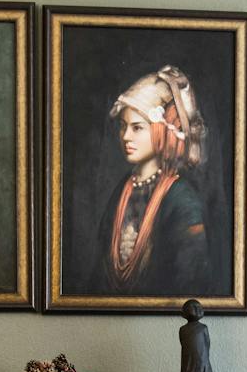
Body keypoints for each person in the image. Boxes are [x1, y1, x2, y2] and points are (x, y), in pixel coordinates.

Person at [90, 66, 212, 296]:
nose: (126, 136)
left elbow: (191, 279)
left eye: (137, 128)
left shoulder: (182, 200)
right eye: (123, 126)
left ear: (161, 131)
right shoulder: (123, 190)